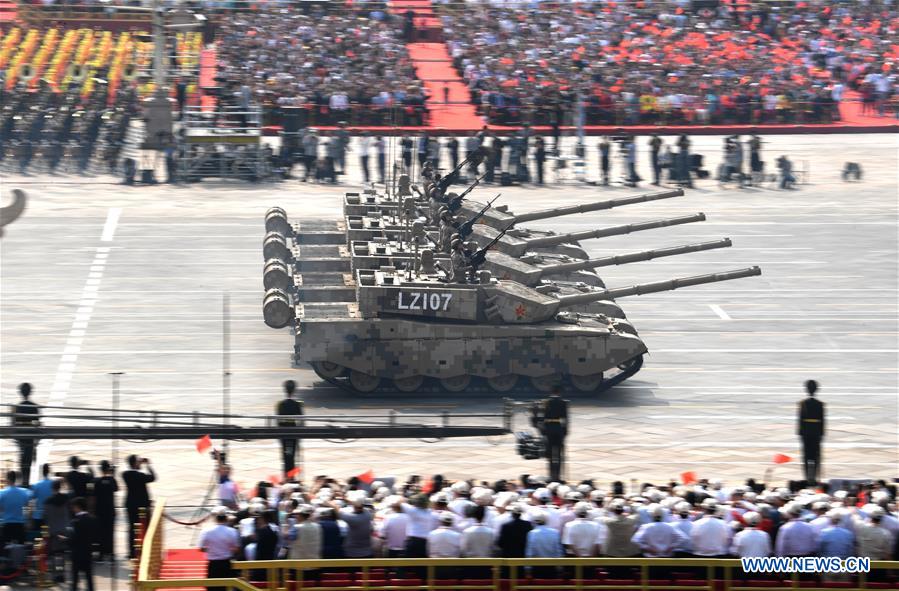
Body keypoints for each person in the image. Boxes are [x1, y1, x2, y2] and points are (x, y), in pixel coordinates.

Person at [122, 454, 156, 558]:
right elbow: (153, 477)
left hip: (130, 505)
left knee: (132, 528)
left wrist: (138, 463)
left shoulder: (125, 474)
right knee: (144, 527)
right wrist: (148, 465)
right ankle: (145, 549)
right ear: (135, 463)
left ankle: (131, 552)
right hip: (142, 507)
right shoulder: (141, 476)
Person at [199, 509, 240, 591]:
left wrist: (212, 550)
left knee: (213, 587)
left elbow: (202, 548)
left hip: (213, 564)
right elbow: (237, 549)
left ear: (215, 518)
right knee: (227, 587)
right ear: (226, 519)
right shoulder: (232, 531)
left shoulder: (206, 531)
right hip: (226, 563)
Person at [798, 379, 825, 484]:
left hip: (806, 433)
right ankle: (814, 477)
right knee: (816, 456)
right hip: (816, 433)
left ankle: (807, 477)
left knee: (806, 456)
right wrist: (821, 433)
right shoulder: (820, 404)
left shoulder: (803, 404)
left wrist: (800, 433)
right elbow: (822, 420)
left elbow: (800, 420)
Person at [67, 497, 97, 591]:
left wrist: (65, 540)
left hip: (76, 553)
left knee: (75, 579)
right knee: (89, 578)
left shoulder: (75, 522)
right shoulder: (93, 519)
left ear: (77, 507)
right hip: (88, 552)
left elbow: (73, 539)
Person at [13, 382, 39, 485]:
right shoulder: (34, 407)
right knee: (29, 461)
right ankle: (26, 481)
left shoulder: (17, 407)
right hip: (31, 437)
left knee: (22, 461)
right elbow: (37, 423)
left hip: (21, 438)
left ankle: (24, 481)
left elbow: (15, 424)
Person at [276, 379, 304, 477]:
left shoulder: (280, 405)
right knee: (293, 456)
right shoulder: (297, 404)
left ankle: (286, 476)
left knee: (285, 457)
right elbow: (302, 420)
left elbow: (278, 421)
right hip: (294, 432)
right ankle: (292, 476)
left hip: (283, 433)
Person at [541, 386, 568, 482]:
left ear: (551, 392)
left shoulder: (546, 402)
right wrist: (565, 432)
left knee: (550, 454)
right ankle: (558, 477)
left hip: (549, 429)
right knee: (559, 455)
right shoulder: (563, 402)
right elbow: (565, 418)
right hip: (559, 428)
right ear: (559, 392)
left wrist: (543, 432)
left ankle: (551, 476)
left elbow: (542, 417)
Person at [93, 460, 118, 561]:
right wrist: (113, 475)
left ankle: (101, 554)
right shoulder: (112, 480)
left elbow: (93, 493)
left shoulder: (97, 481)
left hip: (100, 510)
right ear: (108, 469)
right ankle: (111, 553)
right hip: (110, 510)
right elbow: (116, 488)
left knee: (101, 532)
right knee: (110, 532)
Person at [525, 512, 563, 577]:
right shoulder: (555, 532)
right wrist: (560, 567)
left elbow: (530, 552)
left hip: (537, 567)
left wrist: (528, 569)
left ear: (534, 521)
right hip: (552, 566)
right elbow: (558, 551)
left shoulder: (532, 533)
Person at [0, 470, 33, 545]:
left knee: (6, 550)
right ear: (15, 479)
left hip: (7, 525)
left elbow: (0, 509)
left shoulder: (2, 493)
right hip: (20, 525)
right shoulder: (23, 492)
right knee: (20, 549)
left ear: (7, 479)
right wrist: (28, 520)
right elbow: (29, 506)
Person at [30, 463, 55, 532]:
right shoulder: (53, 484)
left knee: (37, 537)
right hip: (49, 516)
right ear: (49, 471)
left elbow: (31, 498)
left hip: (38, 516)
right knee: (46, 536)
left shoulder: (36, 485)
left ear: (41, 472)